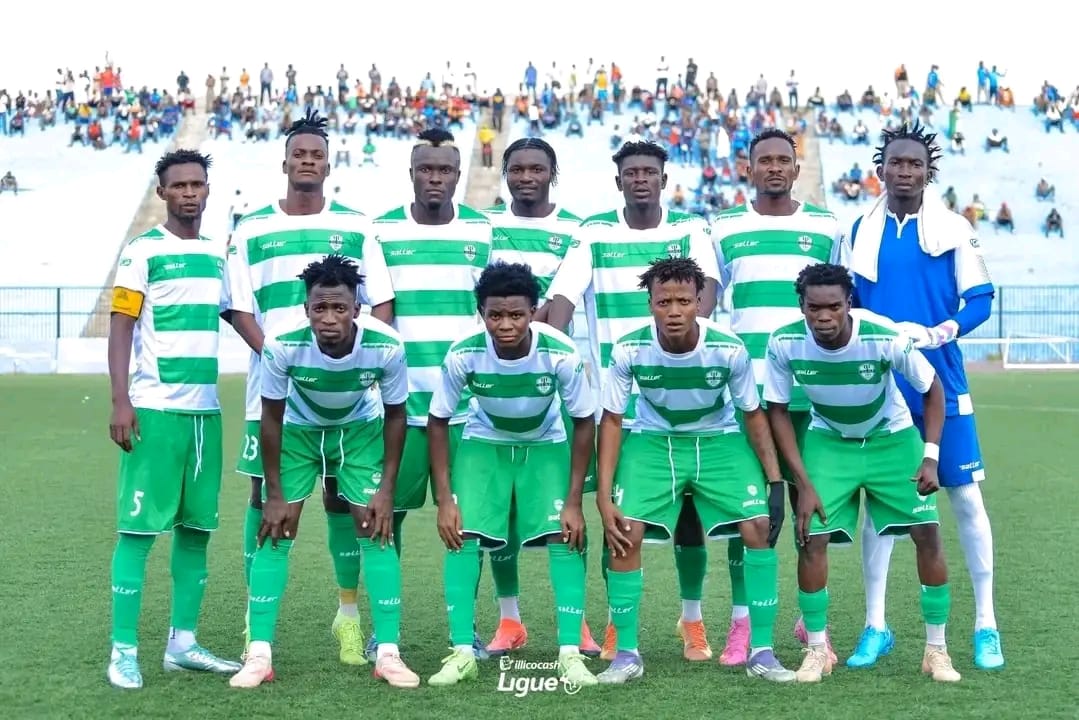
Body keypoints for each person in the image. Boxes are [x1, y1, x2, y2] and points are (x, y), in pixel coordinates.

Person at [224, 109, 395, 666]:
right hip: (273, 391)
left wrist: (343, 364)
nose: (307, 161)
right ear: (285, 163)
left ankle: (348, 615)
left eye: (316, 154)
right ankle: (254, 622)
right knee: (264, 497)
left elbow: (381, 304)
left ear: (328, 164)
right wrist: (288, 362)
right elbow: (238, 309)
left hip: (347, 397)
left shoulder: (357, 225)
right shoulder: (250, 228)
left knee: (342, 500)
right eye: (299, 153)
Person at [546, 140, 721, 662]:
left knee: (689, 519)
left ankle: (692, 619)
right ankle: (617, 623)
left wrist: (677, 348)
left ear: (664, 180)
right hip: (617, 407)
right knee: (617, 517)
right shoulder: (593, 233)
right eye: (631, 172)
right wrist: (552, 353)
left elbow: (708, 293)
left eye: (649, 171)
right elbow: (562, 301)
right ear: (618, 180)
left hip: (684, 401)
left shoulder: (690, 229)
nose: (640, 179)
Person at [848, 122, 1003, 671]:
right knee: (881, 510)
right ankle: (876, 625)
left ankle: (985, 624)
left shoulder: (954, 229)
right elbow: (847, 301)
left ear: (928, 171)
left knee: (965, 500)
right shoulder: (860, 230)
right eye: (896, 162)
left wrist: (941, 332)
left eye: (915, 163)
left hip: (943, 379)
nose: (905, 171)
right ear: (881, 168)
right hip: (880, 385)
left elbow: (980, 300)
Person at [595, 257, 793, 684]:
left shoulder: (728, 348)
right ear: (650, 303)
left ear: (700, 302)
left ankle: (762, 651)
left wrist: (775, 481)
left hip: (718, 440)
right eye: (663, 301)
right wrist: (604, 495)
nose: (673, 311)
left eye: (684, 301)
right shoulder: (629, 348)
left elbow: (753, 414)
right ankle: (626, 653)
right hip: (654, 441)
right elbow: (611, 420)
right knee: (624, 530)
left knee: (758, 525)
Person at [764, 262, 961, 684]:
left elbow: (932, 389)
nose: (824, 317)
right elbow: (777, 411)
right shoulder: (783, 342)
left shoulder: (883, 336)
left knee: (927, 534)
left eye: (833, 307)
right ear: (801, 306)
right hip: (829, 442)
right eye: (814, 308)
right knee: (811, 538)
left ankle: (936, 650)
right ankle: (817, 649)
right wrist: (802, 482)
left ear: (848, 303)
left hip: (892, 439)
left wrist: (930, 456)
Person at [230, 255, 418, 689]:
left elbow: (396, 416)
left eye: (339, 308)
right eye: (320, 308)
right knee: (277, 529)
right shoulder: (282, 343)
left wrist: (387, 490)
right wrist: (275, 493)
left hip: (358, 429)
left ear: (357, 309)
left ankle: (388, 652)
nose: (329, 318)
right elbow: (271, 417)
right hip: (298, 430)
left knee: (375, 527)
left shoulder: (386, 345)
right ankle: (259, 654)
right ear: (306, 309)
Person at [426, 262, 598, 688]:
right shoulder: (463, 352)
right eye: (495, 315)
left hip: (546, 444)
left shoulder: (559, 352)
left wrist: (574, 501)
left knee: (565, 535)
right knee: (461, 535)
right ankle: (462, 651)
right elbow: (437, 420)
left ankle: (570, 654)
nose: (506, 325)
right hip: (484, 443)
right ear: (481, 313)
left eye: (517, 315)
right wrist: (445, 499)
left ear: (533, 311)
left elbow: (583, 422)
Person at [712, 128, 846, 666]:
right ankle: (743, 622)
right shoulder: (724, 227)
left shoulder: (827, 226)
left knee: (811, 513)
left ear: (796, 168)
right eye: (763, 159)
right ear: (748, 168)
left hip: (813, 395)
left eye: (782, 160)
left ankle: (812, 624)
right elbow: (707, 304)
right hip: (748, 394)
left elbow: (844, 302)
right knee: (750, 514)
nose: (773, 167)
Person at [106, 149, 239, 689]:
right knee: (138, 531)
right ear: (162, 193)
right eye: (178, 185)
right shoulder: (142, 251)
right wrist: (121, 399)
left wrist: (282, 355)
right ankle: (123, 649)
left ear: (208, 190)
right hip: (156, 412)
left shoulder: (217, 254)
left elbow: (234, 314)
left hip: (206, 416)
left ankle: (182, 644)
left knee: (196, 531)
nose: (188, 193)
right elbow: (121, 324)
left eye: (196, 184)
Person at [370, 127, 493, 659]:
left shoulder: (482, 231)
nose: (435, 178)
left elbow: (494, 313)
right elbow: (377, 313)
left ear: (458, 175)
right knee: (384, 519)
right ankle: (384, 632)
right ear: (412, 173)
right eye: (426, 169)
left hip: (466, 411)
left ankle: (464, 632)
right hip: (398, 407)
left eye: (445, 170)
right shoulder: (381, 232)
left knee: (466, 522)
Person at [481, 138, 601, 657]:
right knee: (501, 512)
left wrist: (535, 343)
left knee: (568, 513)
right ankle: (509, 619)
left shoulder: (579, 231)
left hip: (559, 383)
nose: (526, 177)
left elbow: (564, 305)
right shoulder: (484, 227)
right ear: (504, 173)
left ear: (554, 174)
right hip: (497, 384)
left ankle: (578, 623)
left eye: (537, 168)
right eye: (517, 168)